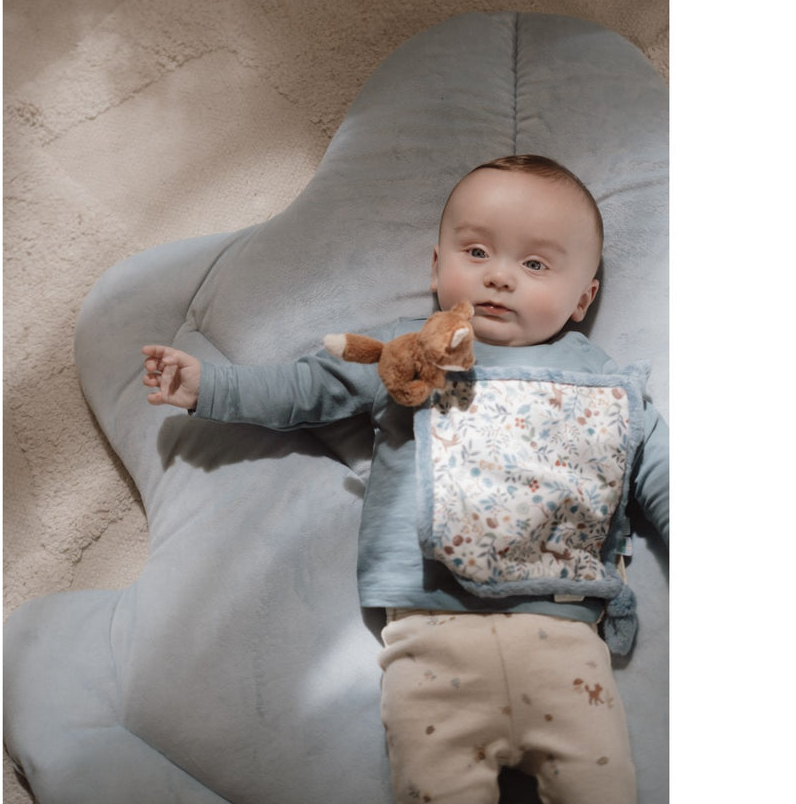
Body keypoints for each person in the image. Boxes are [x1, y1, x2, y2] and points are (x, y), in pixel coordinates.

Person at [142, 154, 668, 804]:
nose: (499, 276)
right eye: (477, 251)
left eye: (535, 264)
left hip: (564, 635)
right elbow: (306, 389)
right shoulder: (408, 351)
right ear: (437, 266)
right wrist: (212, 388)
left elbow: (657, 467)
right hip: (430, 636)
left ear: (583, 298)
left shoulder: (602, 383)